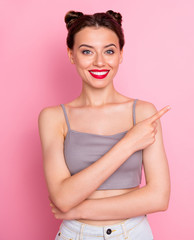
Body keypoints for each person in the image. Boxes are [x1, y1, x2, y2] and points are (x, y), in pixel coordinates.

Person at [38, 10, 170, 239]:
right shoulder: (53, 117)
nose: (99, 62)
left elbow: (158, 197)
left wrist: (80, 209)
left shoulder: (142, 112)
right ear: (71, 55)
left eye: (109, 51)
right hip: (74, 234)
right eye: (87, 51)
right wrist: (127, 144)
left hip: (132, 233)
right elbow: (62, 198)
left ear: (120, 54)